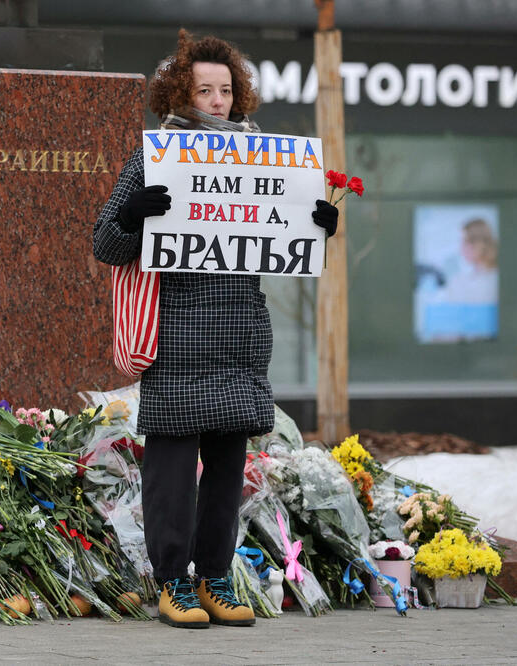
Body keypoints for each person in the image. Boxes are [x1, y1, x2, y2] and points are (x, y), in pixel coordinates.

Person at [92, 30, 338, 629]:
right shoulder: (157, 156)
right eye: (205, 90)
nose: (218, 101)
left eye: (225, 90)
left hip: (238, 337)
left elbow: (282, 243)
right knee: (172, 473)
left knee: (228, 470)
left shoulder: (264, 159)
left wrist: (316, 226)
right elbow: (106, 242)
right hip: (177, 335)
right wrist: (132, 216)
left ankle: (215, 578)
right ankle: (172, 582)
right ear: (182, 93)